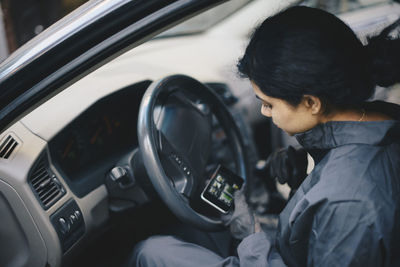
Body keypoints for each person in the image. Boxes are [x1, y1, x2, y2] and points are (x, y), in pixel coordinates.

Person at [127, 6, 400, 267]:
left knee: (149, 252)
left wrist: (251, 236)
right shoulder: (383, 120)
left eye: (269, 103)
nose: (263, 111)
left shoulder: (347, 203)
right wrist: (304, 179)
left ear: (311, 103)